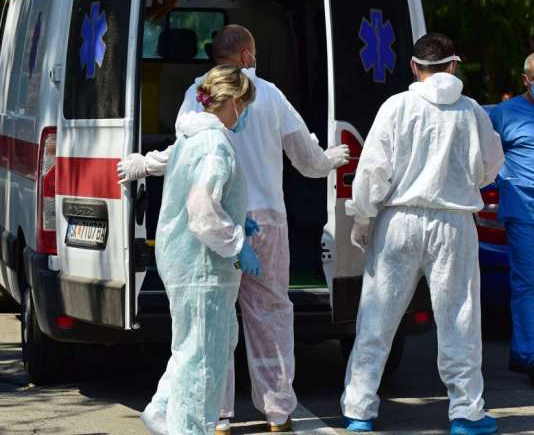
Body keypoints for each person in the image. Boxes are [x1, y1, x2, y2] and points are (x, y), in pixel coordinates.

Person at [119, 25, 350, 433]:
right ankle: (278, 411)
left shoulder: (198, 94)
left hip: (221, 227)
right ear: (246, 57)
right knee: (270, 316)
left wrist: (145, 164)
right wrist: (330, 159)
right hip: (261, 222)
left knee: (216, 321)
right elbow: (306, 159)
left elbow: (182, 153)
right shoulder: (270, 95)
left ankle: (218, 415)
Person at [341, 33, 504, 434]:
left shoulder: (397, 106)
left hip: (398, 219)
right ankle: (466, 412)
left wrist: (362, 216)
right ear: (454, 65)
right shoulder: (471, 111)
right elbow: (490, 166)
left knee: (377, 317)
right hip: (453, 221)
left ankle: (360, 409)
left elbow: (373, 169)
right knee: (459, 318)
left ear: (414, 67)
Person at [141, 65, 258, 435]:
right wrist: (237, 243)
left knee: (195, 347)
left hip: (187, 261)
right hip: (203, 267)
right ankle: (189, 429)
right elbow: (204, 212)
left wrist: (239, 218)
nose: (245, 114)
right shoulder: (214, 145)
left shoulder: (192, 137)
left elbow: (202, 199)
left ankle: (163, 410)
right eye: (246, 106)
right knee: (204, 358)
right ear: (234, 102)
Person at [489, 53, 534, 387]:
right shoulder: (504, 115)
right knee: (527, 283)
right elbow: (482, 157)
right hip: (523, 213)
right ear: (525, 79)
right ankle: (528, 355)